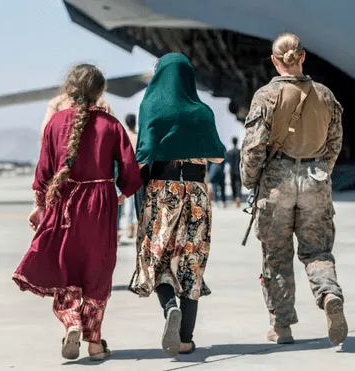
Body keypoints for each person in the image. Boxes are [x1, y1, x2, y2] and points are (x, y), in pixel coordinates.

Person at [12, 64, 141, 361]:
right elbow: (130, 171)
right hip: (101, 203)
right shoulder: (111, 125)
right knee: (97, 269)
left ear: (68, 89)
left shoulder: (55, 123)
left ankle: (71, 321)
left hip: (65, 201)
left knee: (65, 266)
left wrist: (40, 205)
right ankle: (95, 343)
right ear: (100, 91)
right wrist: (122, 194)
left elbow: (43, 171)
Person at [241, 33, 347, 345]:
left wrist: (250, 181)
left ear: (275, 61)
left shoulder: (265, 96)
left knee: (276, 256)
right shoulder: (325, 95)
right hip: (315, 178)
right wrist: (321, 171)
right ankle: (329, 294)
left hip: (277, 182)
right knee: (317, 251)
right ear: (302, 57)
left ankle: (282, 326)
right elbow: (335, 142)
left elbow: (253, 147)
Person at [128, 53, 225, 356]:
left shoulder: (150, 106)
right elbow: (218, 156)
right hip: (196, 192)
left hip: (162, 192)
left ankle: (169, 306)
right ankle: (185, 338)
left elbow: (143, 154)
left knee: (156, 256)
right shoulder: (202, 112)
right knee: (191, 262)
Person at [124, 113, 139, 238]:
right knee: (137, 202)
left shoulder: (124, 137)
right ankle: (134, 225)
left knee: (129, 202)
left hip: (127, 172)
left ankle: (130, 227)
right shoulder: (138, 137)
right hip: (139, 172)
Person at [226, 137, 242, 207]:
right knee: (238, 184)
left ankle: (235, 198)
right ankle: (238, 197)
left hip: (232, 170)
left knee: (232, 185)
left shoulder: (229, 152)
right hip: (239, 170)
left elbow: (227, 161)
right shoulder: (240, 151)